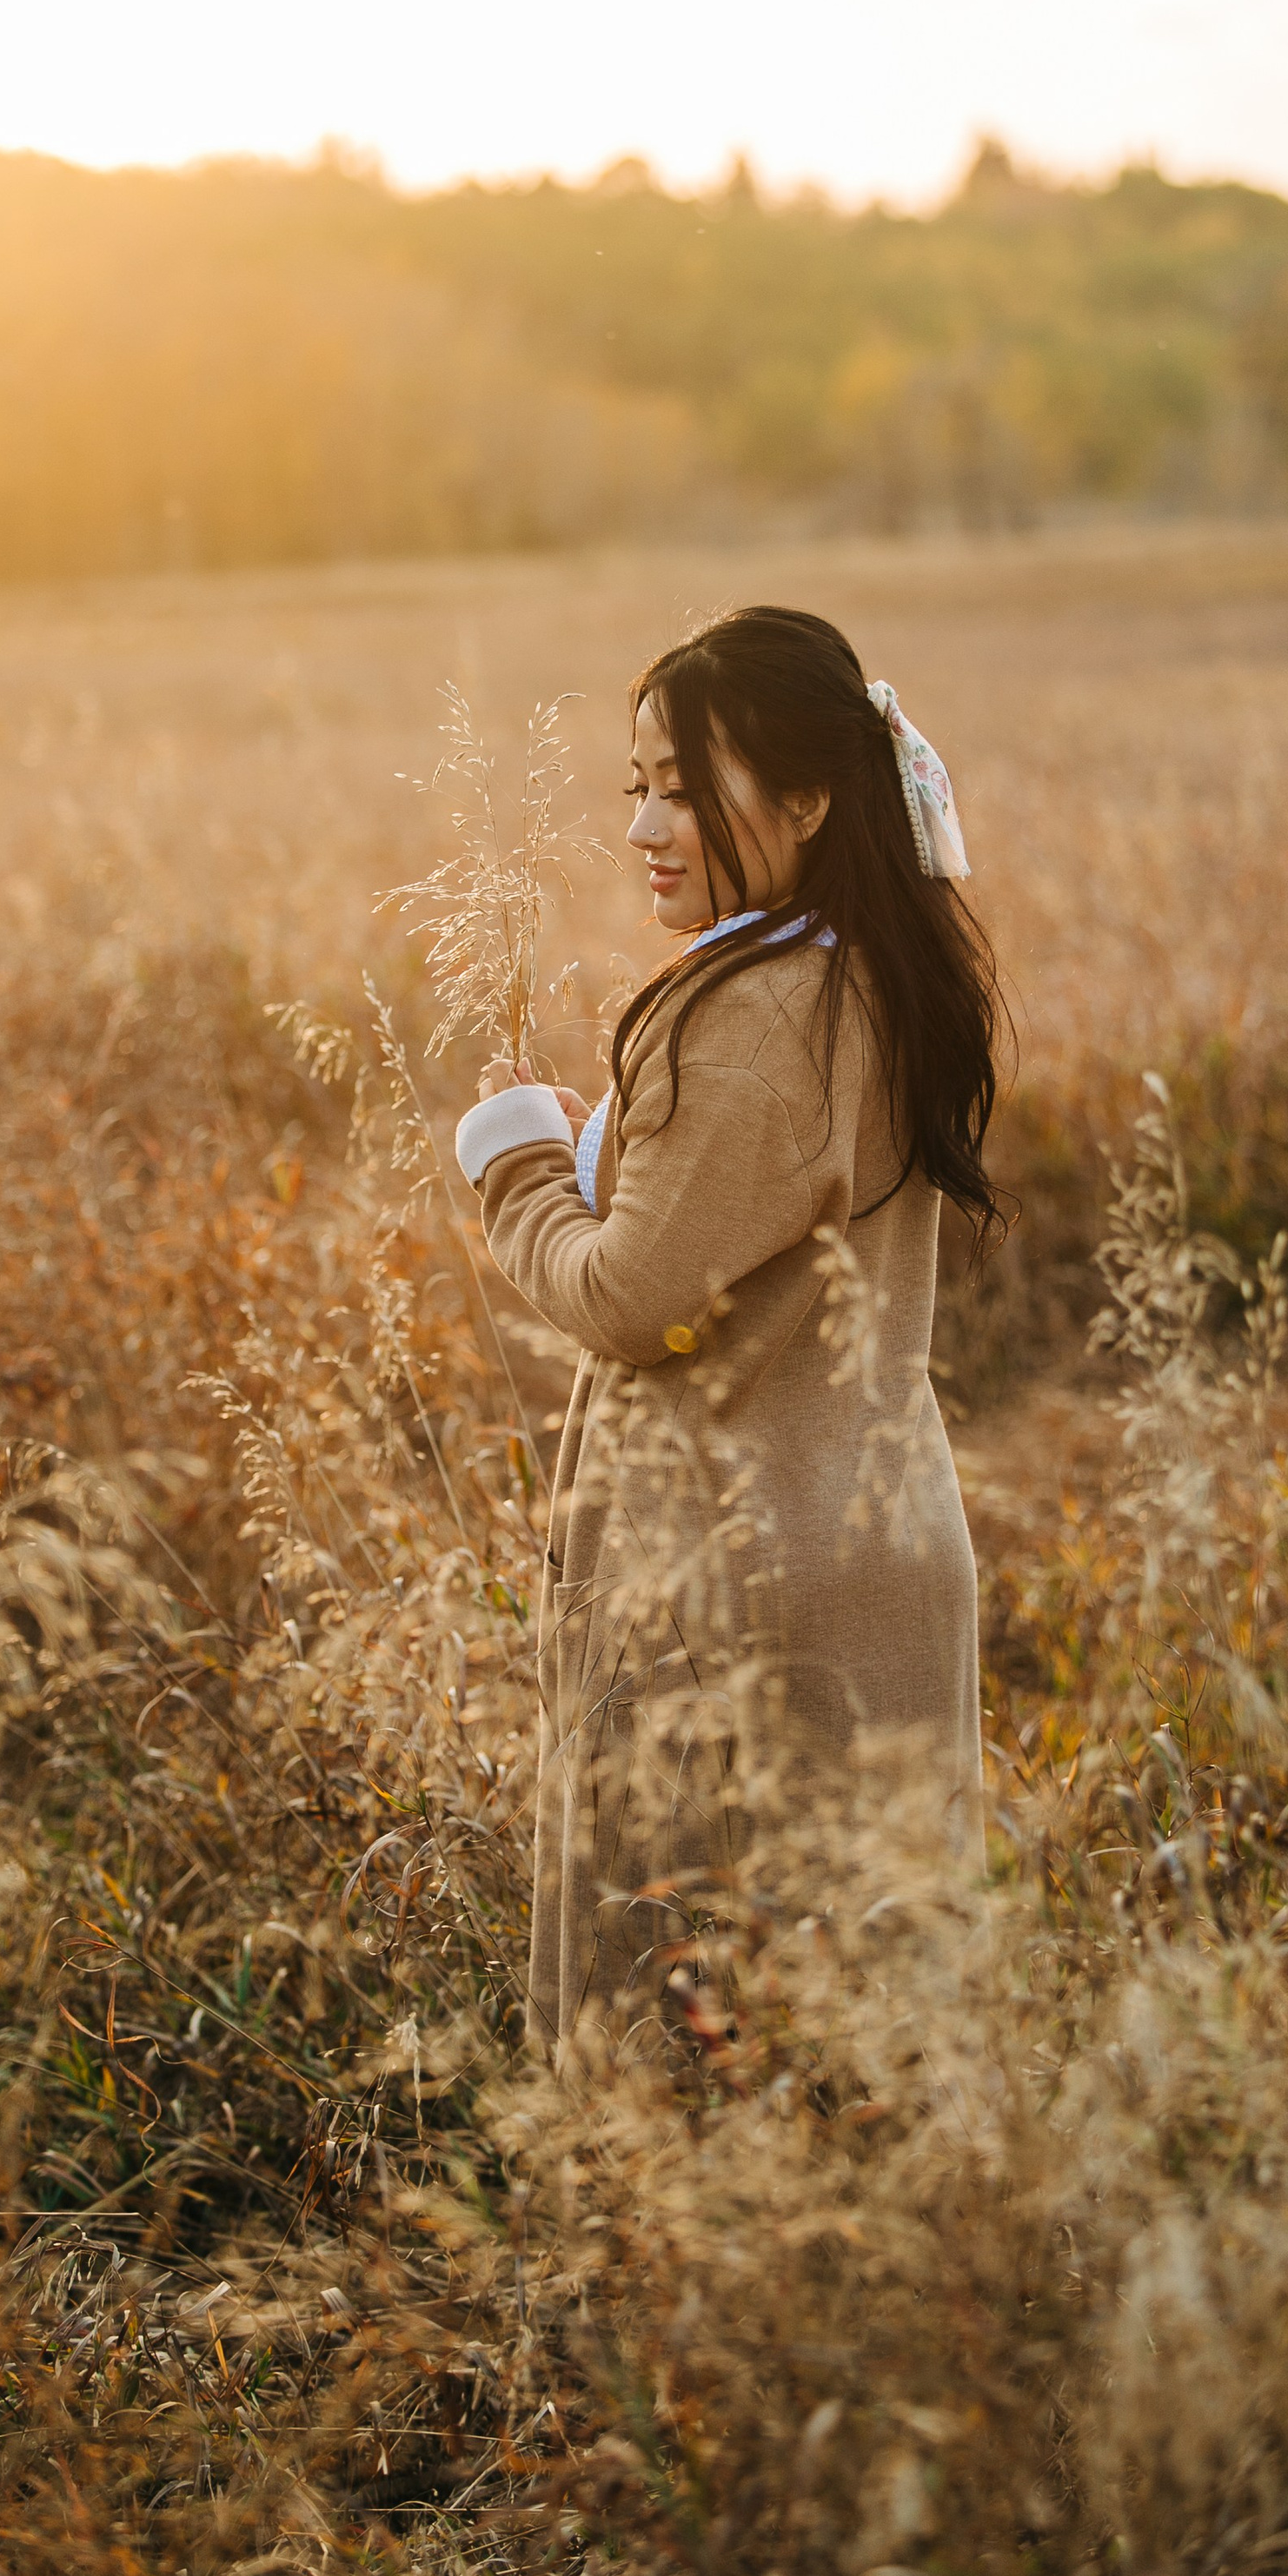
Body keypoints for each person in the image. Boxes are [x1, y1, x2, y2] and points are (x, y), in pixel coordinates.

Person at [453, 606, 1003, 2052]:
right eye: (636, 784)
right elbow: (748, 1220)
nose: (646, 823)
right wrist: (608, 1155)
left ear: (810, 799)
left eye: (686, 788)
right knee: (865, 2028)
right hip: (872, 1553)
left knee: (702, 2038)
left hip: (743, 1589)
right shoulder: (864, 967)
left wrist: (512, 1165)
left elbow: (631, 1301)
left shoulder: (752, 1012)